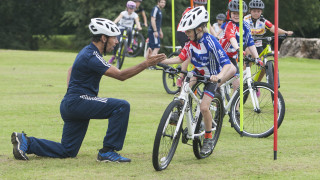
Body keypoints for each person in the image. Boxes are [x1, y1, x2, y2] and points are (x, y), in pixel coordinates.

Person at [11, 18, 166, 162]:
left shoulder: (88, 52)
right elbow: (121, 76)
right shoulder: (91, 55)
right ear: (104, 38)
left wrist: (71, 94)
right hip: (78, 102)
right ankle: (107, 151)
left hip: (72, 104)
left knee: (68, 150)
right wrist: (145, 64)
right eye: (114, 38)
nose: (116, 42)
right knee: (121, 106)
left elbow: (71, 69)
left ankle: (26, 142)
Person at [160, 6, 237, 155]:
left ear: (199, 29)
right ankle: (179, 107)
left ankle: (208, 137)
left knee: (203, 107)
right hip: (198, 72)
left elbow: (227, 64)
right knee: (186, 84)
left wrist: (219, 77)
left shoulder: (211, 42)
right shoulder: (190, 43)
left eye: (189, 31)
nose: (186, 34)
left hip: (212, 76)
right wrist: (163, 61)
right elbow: (181, 58)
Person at [219, 0, 263, 97]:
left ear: (243, 14)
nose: (236, 15)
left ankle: (236, 110)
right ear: (230, 13)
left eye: (239, 13)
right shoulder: (229, 25)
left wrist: (257, 58)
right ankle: (214, 87)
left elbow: (250, 42)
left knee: (237, 83)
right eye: (234, 13)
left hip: (232, 57)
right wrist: (238, 48)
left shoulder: (245, 26)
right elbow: (232, 38)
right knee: (233, 70)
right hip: (222, 54)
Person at [244, 0, 293, 82]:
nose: (256, 13)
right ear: (250, 11)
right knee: (249, 54)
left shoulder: (263, 21)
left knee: (264, 65)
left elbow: (273, 29)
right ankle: (243, 77)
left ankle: (257, 84)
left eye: (258, 11)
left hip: (258, 45)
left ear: (261, 11)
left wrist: (285, 32)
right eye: (254, 11)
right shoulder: (245, 19)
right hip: (247, 45)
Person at [176, 0, 208, 86]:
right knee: (189, 54)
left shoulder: (203, 12)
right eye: (198, 4)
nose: (199, 6)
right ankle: (181, 76)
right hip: (184, 32)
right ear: (194, 4)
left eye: (202, 5)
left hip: (194, 33)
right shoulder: (188, 11)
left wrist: (216, 35)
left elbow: (207, 25)